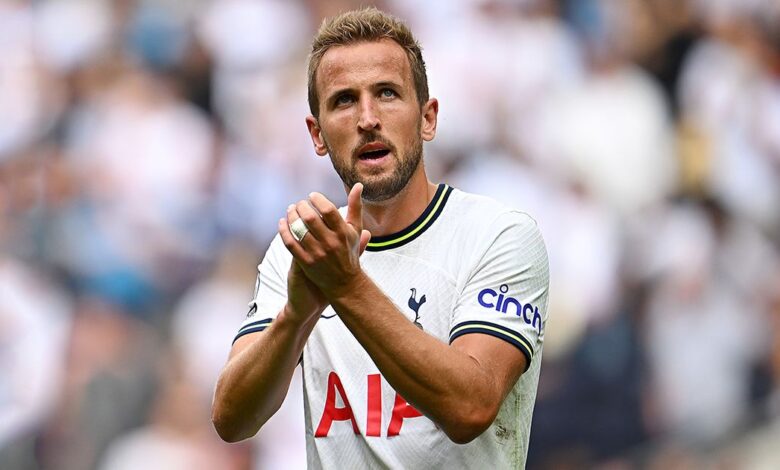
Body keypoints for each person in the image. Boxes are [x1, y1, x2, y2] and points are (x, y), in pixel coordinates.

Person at [211, 7, 550, 468]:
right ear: (317, 134)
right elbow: (232, 420)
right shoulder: (301, 248)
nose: (367, 118)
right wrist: (295, 316)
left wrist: (344, 286)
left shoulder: (499, 236)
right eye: (344, 100)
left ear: (428, 119)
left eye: (387, 93)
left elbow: (470, 407)